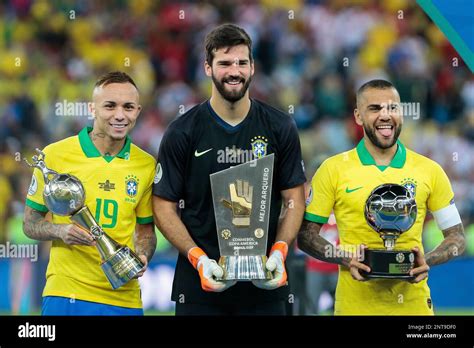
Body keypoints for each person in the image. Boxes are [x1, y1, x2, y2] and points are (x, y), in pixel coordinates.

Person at [152, 23, 306, 315]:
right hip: (200, 286)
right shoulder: (182, 131)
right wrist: (198, 259)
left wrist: (280, 251)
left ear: (252, 67)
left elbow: (294, 198)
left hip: (267, 285)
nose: (234, 71)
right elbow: (163, 205)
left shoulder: (280, 126)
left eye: (241, 63)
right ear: (208, 68)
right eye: (224, 63)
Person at [298, 79, 466, 315]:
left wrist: (427, 260)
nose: (385, 116)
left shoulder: (430, 170)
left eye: (392, 108)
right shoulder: (333, 169)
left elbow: (457, 237)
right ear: (358, 116)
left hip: (414, 308)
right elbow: (306, 235)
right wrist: (345, 259)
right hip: (353, 307)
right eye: (375, 109)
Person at [23, 71, 157, 315]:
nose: (120, 115)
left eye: (128, 107)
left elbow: (146, 231)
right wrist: (60, 230)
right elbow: (30, 223)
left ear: (137, 110)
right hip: (66, 291)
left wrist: (142, 254)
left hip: (123, 297)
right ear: (92, 109)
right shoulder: (54, 155)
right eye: (110, 106)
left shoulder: (146, 164)